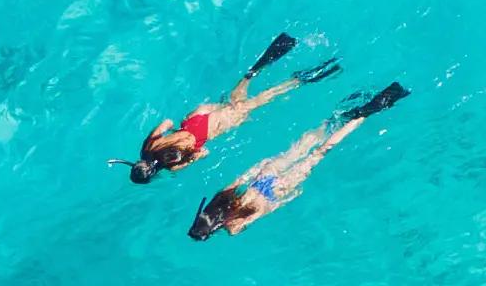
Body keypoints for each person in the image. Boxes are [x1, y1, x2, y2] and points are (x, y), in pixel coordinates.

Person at [191, 84, 408, 238]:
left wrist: (290, 197)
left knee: (321, 152)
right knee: (306, 143)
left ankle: (367, 112)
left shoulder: (233, 227)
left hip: (277, 189)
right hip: (264, 176)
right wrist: (261, 166)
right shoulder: (220, 198)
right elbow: (241, 178)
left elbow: (267, 210)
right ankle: (336, 119)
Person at [128, 35, 340, 184]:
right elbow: (167, 123)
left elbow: (203, 152)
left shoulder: (173, 166)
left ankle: (302, 79)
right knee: (238, 93)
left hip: (213, 128)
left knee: (264, 98)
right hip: (197, 118)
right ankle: (275, 53)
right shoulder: (148, 146)